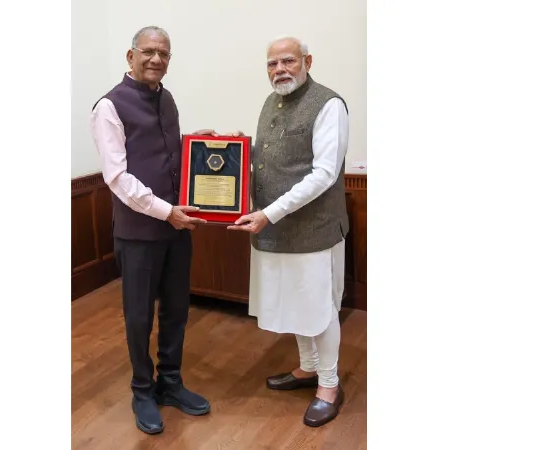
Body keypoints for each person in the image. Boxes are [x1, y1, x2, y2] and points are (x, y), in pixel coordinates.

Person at [90, 25, 218, 435]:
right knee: (140, 316)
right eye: (148, 52)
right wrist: (166, 212)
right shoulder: (108, 107)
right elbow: (118, 178)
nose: (156, 59)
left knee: (178, 311)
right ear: (131, 57)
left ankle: (171, 383)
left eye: (163, 53)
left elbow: (172, 156)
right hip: (139, 232)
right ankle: (142, 390)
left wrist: (207, 146)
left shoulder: (169, 100)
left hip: (176, 229)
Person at [227, 36, 350, 427]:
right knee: (296, 304)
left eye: (287, 61)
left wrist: (270, 213)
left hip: (313, 231)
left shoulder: (329, 104)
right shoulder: (270, 103)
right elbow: (264, 162)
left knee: (320, 308)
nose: (279, 69)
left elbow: (324, 174)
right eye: (271, 64)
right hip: (273, 229)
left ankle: (329, 384)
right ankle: (307, 368)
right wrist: (222, 155)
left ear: (307, 61)